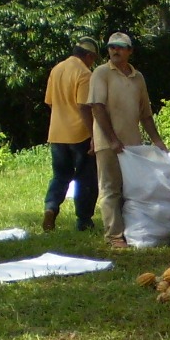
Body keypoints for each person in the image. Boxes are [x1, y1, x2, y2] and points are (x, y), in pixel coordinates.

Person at [87, 31, 168, 249]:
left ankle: (132, 232)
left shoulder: (137, 77)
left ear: (130, 51)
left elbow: (146, 113)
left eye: (120, 47)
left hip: (132, 144)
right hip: (108, 142)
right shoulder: (101, 73)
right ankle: (114, 236)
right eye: (112, 46)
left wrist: (157, 140)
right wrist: (112, 139)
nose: (115, 50)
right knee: (111, 188)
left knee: (132, 189)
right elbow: (97, 107)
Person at [44, 36, 100, 232]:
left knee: (60, 176)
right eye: (93, 58)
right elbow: (84, 106)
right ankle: (84, 220)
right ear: (88, 56)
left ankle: (51, 207)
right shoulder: (85, 73)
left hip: (57, 133)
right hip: (80, 134)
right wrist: (94, 135)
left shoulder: (57, 69)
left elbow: (50, 102)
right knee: (86, 178)